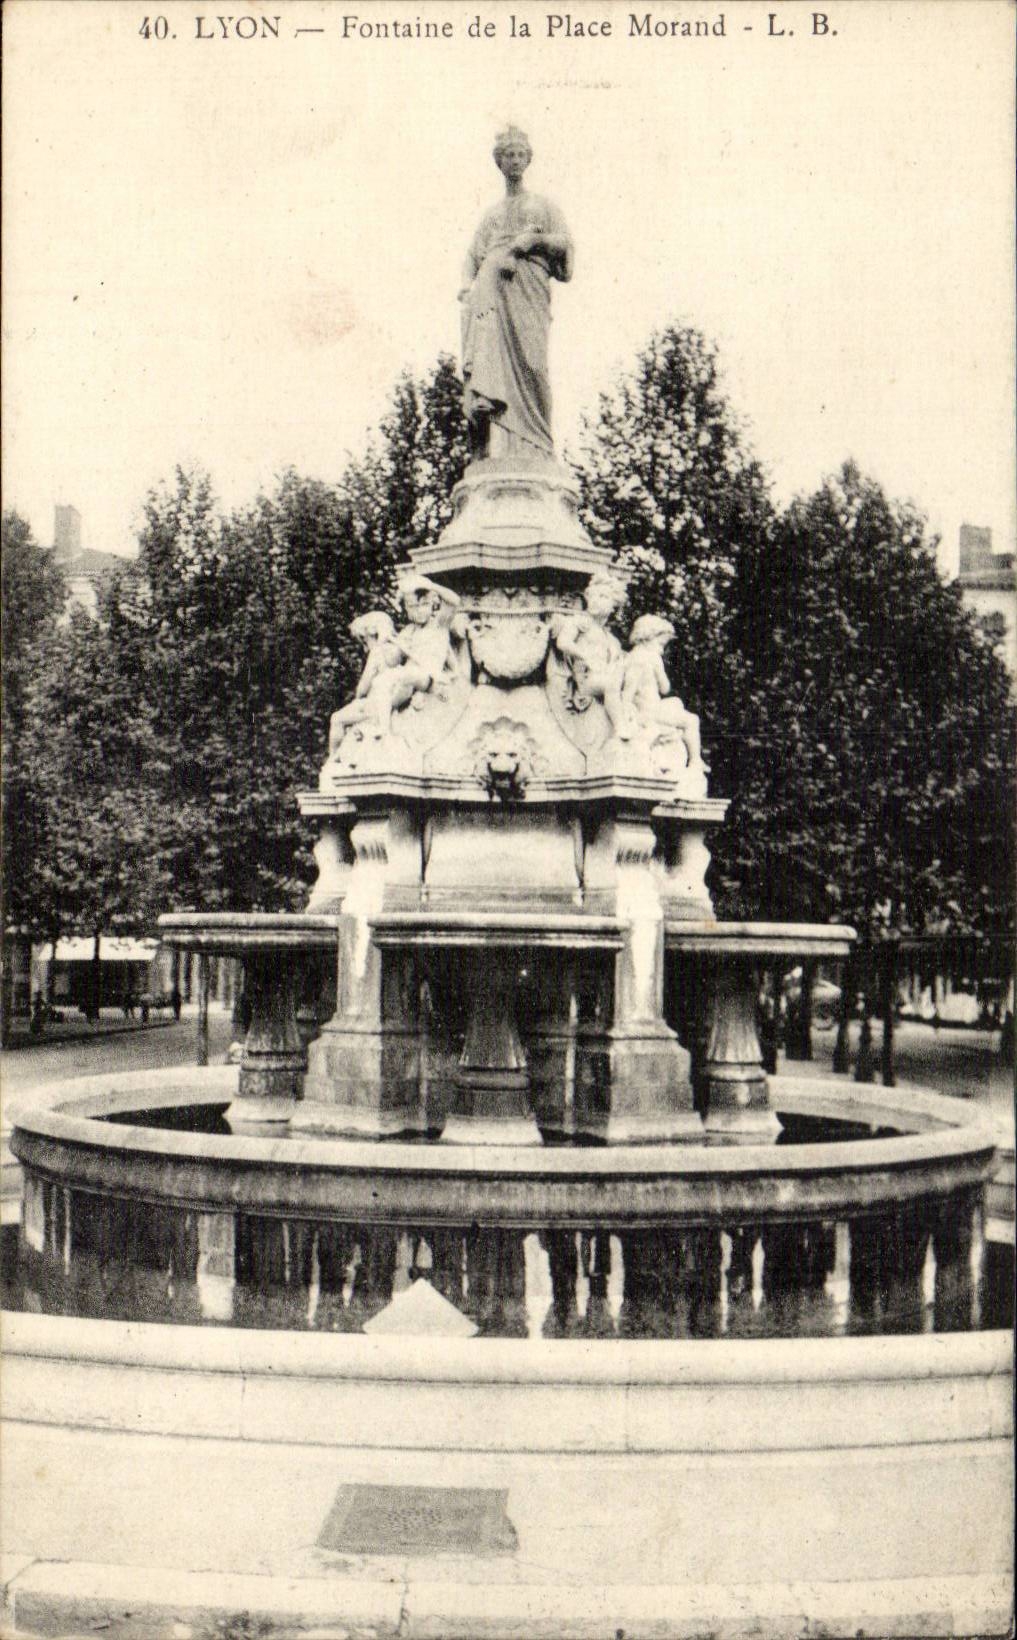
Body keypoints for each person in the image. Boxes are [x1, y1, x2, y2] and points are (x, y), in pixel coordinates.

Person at [459, 126, 573, 462]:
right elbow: (472, 256)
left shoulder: (543, 206)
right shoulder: (491, 215)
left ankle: (539, 447)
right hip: (490, 293)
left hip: (528, 287)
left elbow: (564, 244)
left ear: (528, 159)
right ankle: (491, 449)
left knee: (534, 365)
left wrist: (532, 242)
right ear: (499, 161)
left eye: (521, 155)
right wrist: (466, 286)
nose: (515, 161)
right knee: (487, 366)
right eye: (509, 155)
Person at [551, 573, 631, 739]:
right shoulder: (580, 621)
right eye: (593, 596)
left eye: (603, 597)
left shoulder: (609, 637)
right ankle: (620, 726)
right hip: (585, 681)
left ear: (613, 605)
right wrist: (585, 656)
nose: (595, 600)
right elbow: (563, 642)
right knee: (610, 684)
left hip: (604, 679)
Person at [622, 615, 704, 774]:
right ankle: (696, 761)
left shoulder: (631, 657)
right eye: (660, 644)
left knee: (676, 702)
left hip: (645, 708)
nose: (662, 649)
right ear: (647, 638)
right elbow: (665, 688)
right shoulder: (651, 658)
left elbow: (628, 693)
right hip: (651, 711)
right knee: (692, 720)